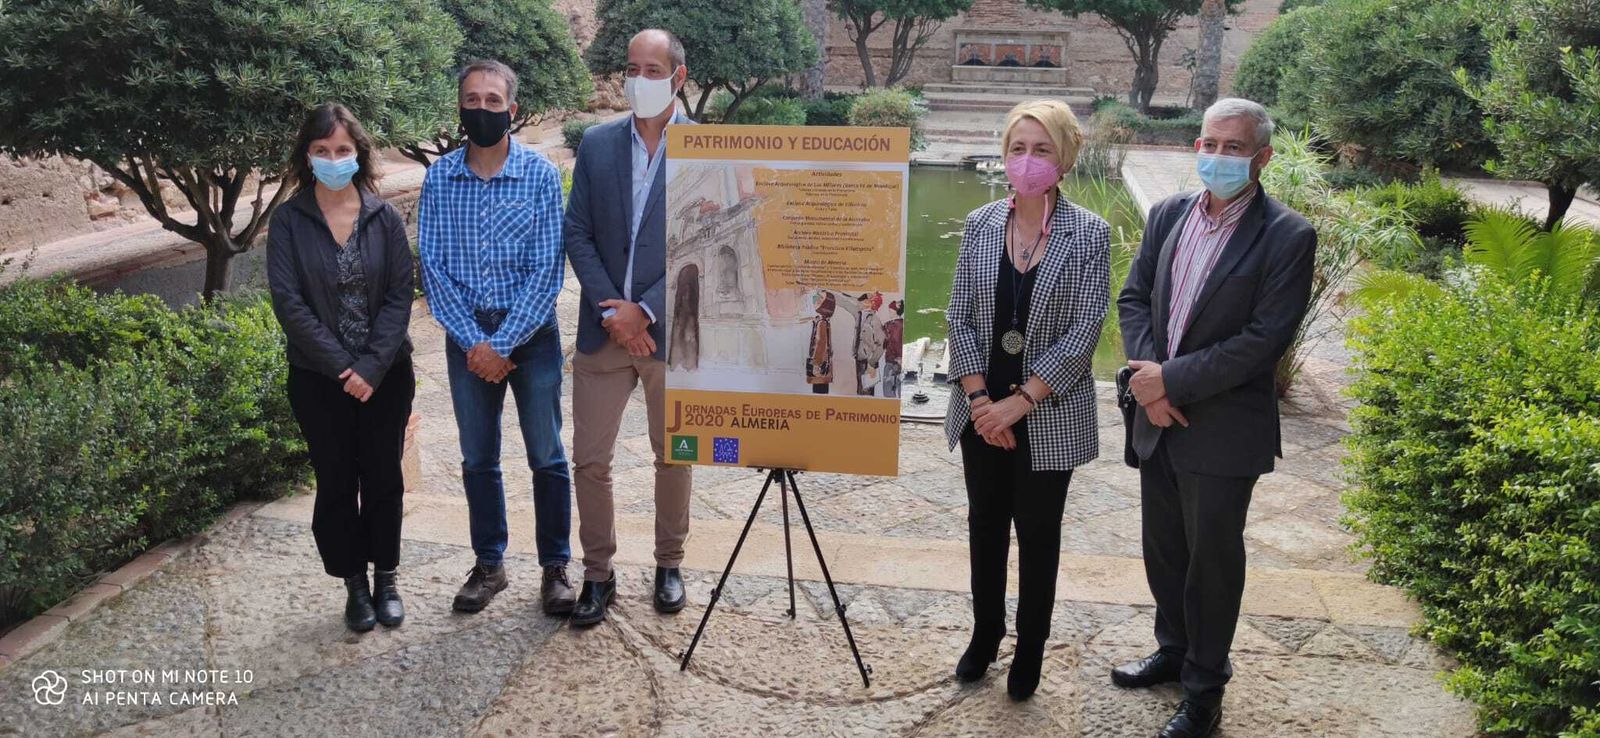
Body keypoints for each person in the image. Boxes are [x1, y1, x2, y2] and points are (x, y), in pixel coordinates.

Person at [1115, 98, 1315, 738]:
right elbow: (1136, 296)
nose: (1218, 157)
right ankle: (1173, 650)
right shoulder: (1169, 214)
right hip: (1158, 419)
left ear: (1262, 157)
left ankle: (1204, 688)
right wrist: (1150, 385)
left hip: (1224, 429)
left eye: (1233, 148)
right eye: (1209, 144)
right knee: (1165, 551)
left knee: (1213, 564)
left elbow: (1262, 340)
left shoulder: (1288, 235)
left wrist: (1169, 380)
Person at [943, 99, 1111, 700]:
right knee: (984, 525)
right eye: (1018, 148)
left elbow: (1084, 331)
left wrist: (1021, 402)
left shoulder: (1089, 234)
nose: (1028, 161)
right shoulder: (983, 223)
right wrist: (982, 401)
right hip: (979, 409)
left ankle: (1029, 648)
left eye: (1041, 150)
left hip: (1048, 417)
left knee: (1039, 534)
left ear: (1064, 158)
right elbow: (959, 317)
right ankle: (984, 634)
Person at [418, 59, 575, 617]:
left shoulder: (537, 174)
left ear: (512, 109)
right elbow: (432, 268)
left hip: (529, 335)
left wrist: (503, 343)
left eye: (492, 101)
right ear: (459, 106)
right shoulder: (440, 176)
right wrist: (474, 343)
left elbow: (547, 270)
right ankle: (490, 565)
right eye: (471, 99)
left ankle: (556, 567)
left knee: (547, 454)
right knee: (477, 458)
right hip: (467, 340)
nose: (480, 109)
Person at [266, 104, 415, 633]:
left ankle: (386, 578)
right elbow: (289, 302)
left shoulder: (384, 217)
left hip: (386, 377)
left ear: (359, 154)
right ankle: (353, 581)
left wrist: (372, 367)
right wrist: (341, 368)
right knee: (335, 480)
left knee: (383, 477)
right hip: (318, 380)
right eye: (322, 151)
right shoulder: (287, 221)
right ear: (307, 156)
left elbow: (401, 295)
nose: (333, 159)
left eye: (343, 150)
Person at [565, 28, 696, 627]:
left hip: (670, 332)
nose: (640, 80)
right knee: (590, 460)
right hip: (603, 332)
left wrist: (643, 308)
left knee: (674, 453)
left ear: (678, 76)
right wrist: (612, 310)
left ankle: (669, 564)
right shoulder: (596, 144)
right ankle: (598, 574)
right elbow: (579, 235)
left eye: (653, 69)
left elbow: (697, 245)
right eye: (632, 69)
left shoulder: (706, 151)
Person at [854, 292, 885, 396]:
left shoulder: (875, 320)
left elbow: (881, 343)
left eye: (863, 301)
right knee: (860, 390)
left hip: (868, 362)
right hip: (859, 359)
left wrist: (872, 363)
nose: (860, 303)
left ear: (870, 303)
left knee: (866, 392)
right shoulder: (861, 316)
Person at [806, 291, 837, 394]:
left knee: (819, 392)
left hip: (819, 366)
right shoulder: (824, 321)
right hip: (824, 364)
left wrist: (816, 364)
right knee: (822, 390)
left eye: (821, 298)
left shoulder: (821, 323)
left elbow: (821, 344)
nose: (816, 300)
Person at [881, 300, 905, 398]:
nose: (889, 312)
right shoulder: (901, 324)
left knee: (888, 390)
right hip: (898, 360)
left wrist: (898, 357)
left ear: (895, 311)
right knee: (900, 388)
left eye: (891, 310)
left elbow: (895, 341)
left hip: (893, 360)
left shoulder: (894, 325)